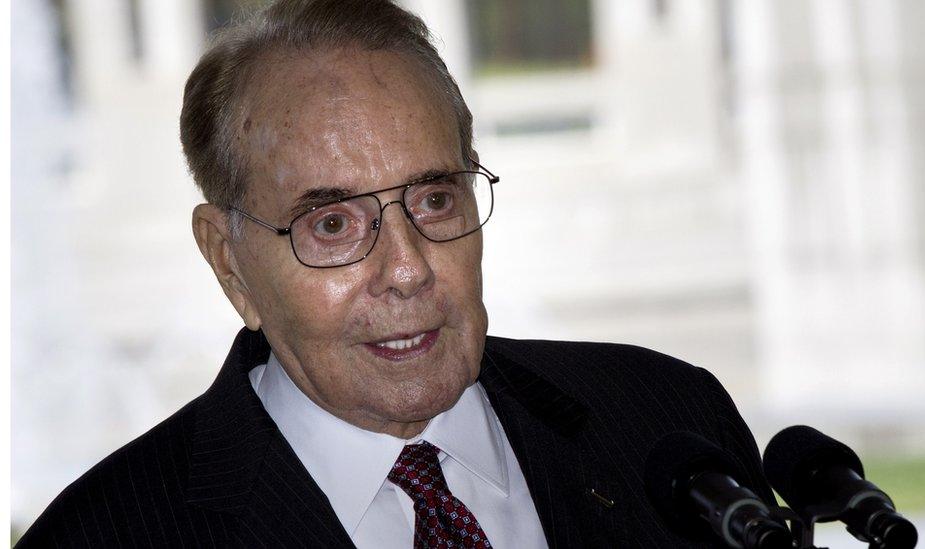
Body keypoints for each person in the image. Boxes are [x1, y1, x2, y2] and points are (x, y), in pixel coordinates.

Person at [18, 1, 773, 547]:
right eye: (333, 223)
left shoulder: (670, 421)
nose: (408, 269)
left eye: (435, 198)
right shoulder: (109, 532)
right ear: (231, 265)